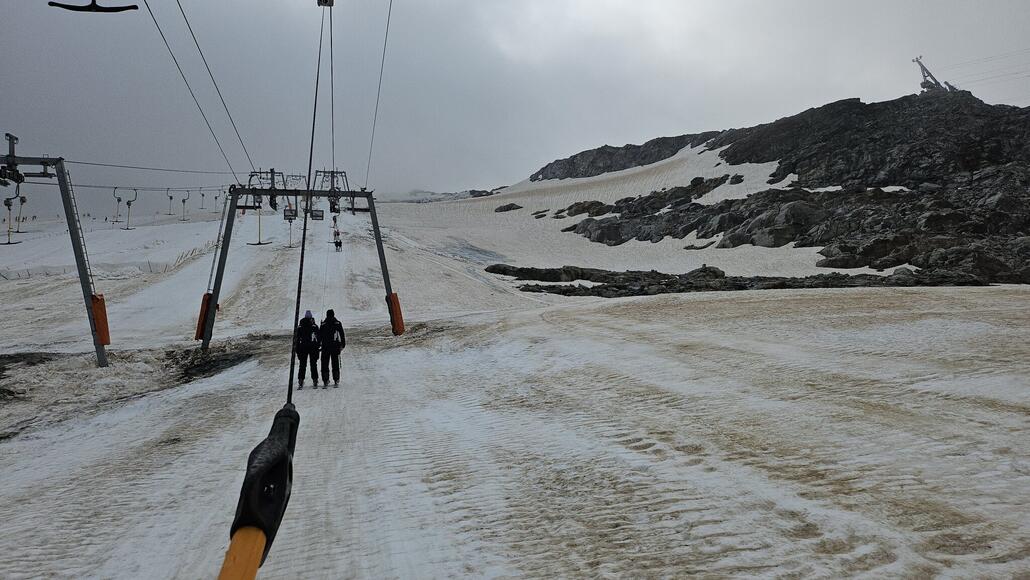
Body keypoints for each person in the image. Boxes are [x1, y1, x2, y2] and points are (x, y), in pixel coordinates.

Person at [318, 309, 346, 387]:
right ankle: (336, 379)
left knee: (324, 364)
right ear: (333, 315)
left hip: (325, 347)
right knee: (335, 363)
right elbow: (342, 334)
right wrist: (343, 344)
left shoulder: (323, 324)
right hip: (335, 346)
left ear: (327, 315)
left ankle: (325, 380)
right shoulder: (338, 323)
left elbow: (319, 336)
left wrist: (318, 345)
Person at [295, 310, 320, 388]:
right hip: (313, 347)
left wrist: (297, 349)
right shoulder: (314, 326)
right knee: (313, 364)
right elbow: (318, 337)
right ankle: (315, 380)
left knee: (302, 365)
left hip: (302, 347)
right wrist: (318, 346)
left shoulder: (300, 327)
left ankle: (301, 381)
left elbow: (297, 339)